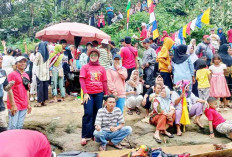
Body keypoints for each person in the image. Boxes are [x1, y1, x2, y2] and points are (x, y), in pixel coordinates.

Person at [79, 48, 108, 145]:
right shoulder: (85, 67)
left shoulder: (102, 68)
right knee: (88, 113)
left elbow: (104, 82)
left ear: (98, 57)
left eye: (95, 55)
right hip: (89, 94)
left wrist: (106, 96)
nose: (93, 56)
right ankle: (85, 135)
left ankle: (94, 134)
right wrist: (85, 93)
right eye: (92, 55)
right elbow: (82, 80)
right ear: (89, 56)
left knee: (97, 114)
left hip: (99, 93)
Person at [7, 56, 32, 130]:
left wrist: (28, 104)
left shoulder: (26, 75)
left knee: (19, 126)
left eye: (24, 62)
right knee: (13, 126)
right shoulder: (12, 75)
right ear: (16, 64)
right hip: (15, 104)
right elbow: (9, 90)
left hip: (23, 104)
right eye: (20, 62)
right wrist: (12, 105)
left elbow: (27, 90)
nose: (23, 63)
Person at [0, 54, 15, 132]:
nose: (1, 61)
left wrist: (10, 85)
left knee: (3, 127)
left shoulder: (2, 72)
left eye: (1, 59)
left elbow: (5, 88)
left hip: (1, 105)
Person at [34, 41, 50, 107]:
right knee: (45, 87)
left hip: (39, 73)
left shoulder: (38, 54)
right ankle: (44, 101)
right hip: (46, 73)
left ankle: (39, 102)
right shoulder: (47, 54)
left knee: (39, 87)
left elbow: (35, 63)